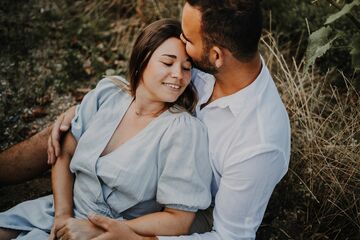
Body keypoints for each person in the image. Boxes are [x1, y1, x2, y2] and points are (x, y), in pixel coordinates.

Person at [0, 0, 291, 239]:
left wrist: (129, 235)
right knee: (63, 132)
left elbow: (227, 237)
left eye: (188, 41)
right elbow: (150, 74)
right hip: (127, 159)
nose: (181, 44)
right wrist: (88, 107)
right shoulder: (208, 66)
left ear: (216, 56)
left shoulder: (259, 143)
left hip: (180, 215)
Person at [0, 19, 213, 240]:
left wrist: (102, 229)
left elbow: (178, 219)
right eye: (168, 63)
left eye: (187, 68)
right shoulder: (108, 94)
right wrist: (62, 216)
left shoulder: (184, 131)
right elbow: (64, 153)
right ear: (142, 59)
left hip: (115, 233)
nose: (179, 74)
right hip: (58, 209)